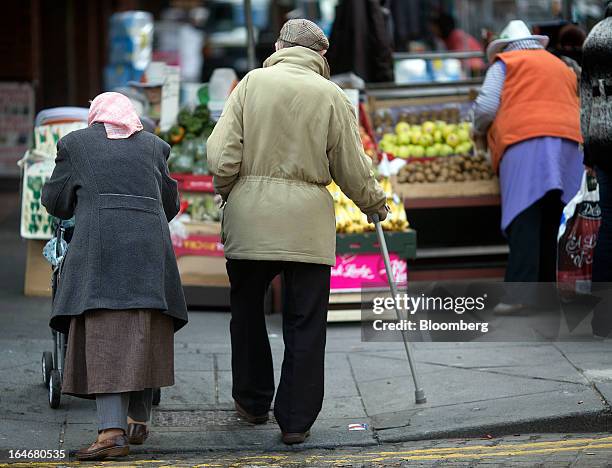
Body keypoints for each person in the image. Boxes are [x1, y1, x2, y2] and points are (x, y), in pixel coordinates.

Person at [207, 19, 388, 444]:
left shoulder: (251, 83)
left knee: (247, 311)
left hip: (249, 218)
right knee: (306, 321)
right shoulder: (331, 96)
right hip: (307, 225)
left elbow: (220, 154)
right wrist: (373, 203)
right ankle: (296, 420)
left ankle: (252, 403)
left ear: (279, 46)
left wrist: (231, 190)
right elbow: (351, 165)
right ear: (321, 56)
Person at [41, 92, 188, 461]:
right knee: (145, 327)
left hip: (100, 254)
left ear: (96, 116)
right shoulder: (155, 147)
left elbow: (56, 201)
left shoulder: (74, 144)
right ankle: (138, 419)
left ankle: (111, 433)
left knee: (106, 334)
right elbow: (170, 204)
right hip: (151, 253)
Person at [472, 20, 583, 314]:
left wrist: (477, 128)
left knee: (524, 216)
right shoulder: (560, 65)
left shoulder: (505, 63)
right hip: (568, 145)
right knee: (551, 218)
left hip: (525, 142)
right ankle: (547, 294)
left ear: (506, 45)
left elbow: (485, 108)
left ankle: (520, 294)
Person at [581, 1, 612, 337]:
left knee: (609, 228)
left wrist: (587, 146)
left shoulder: (594, 37)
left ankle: (603, 319)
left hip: (602, 144)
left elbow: (585, 99)